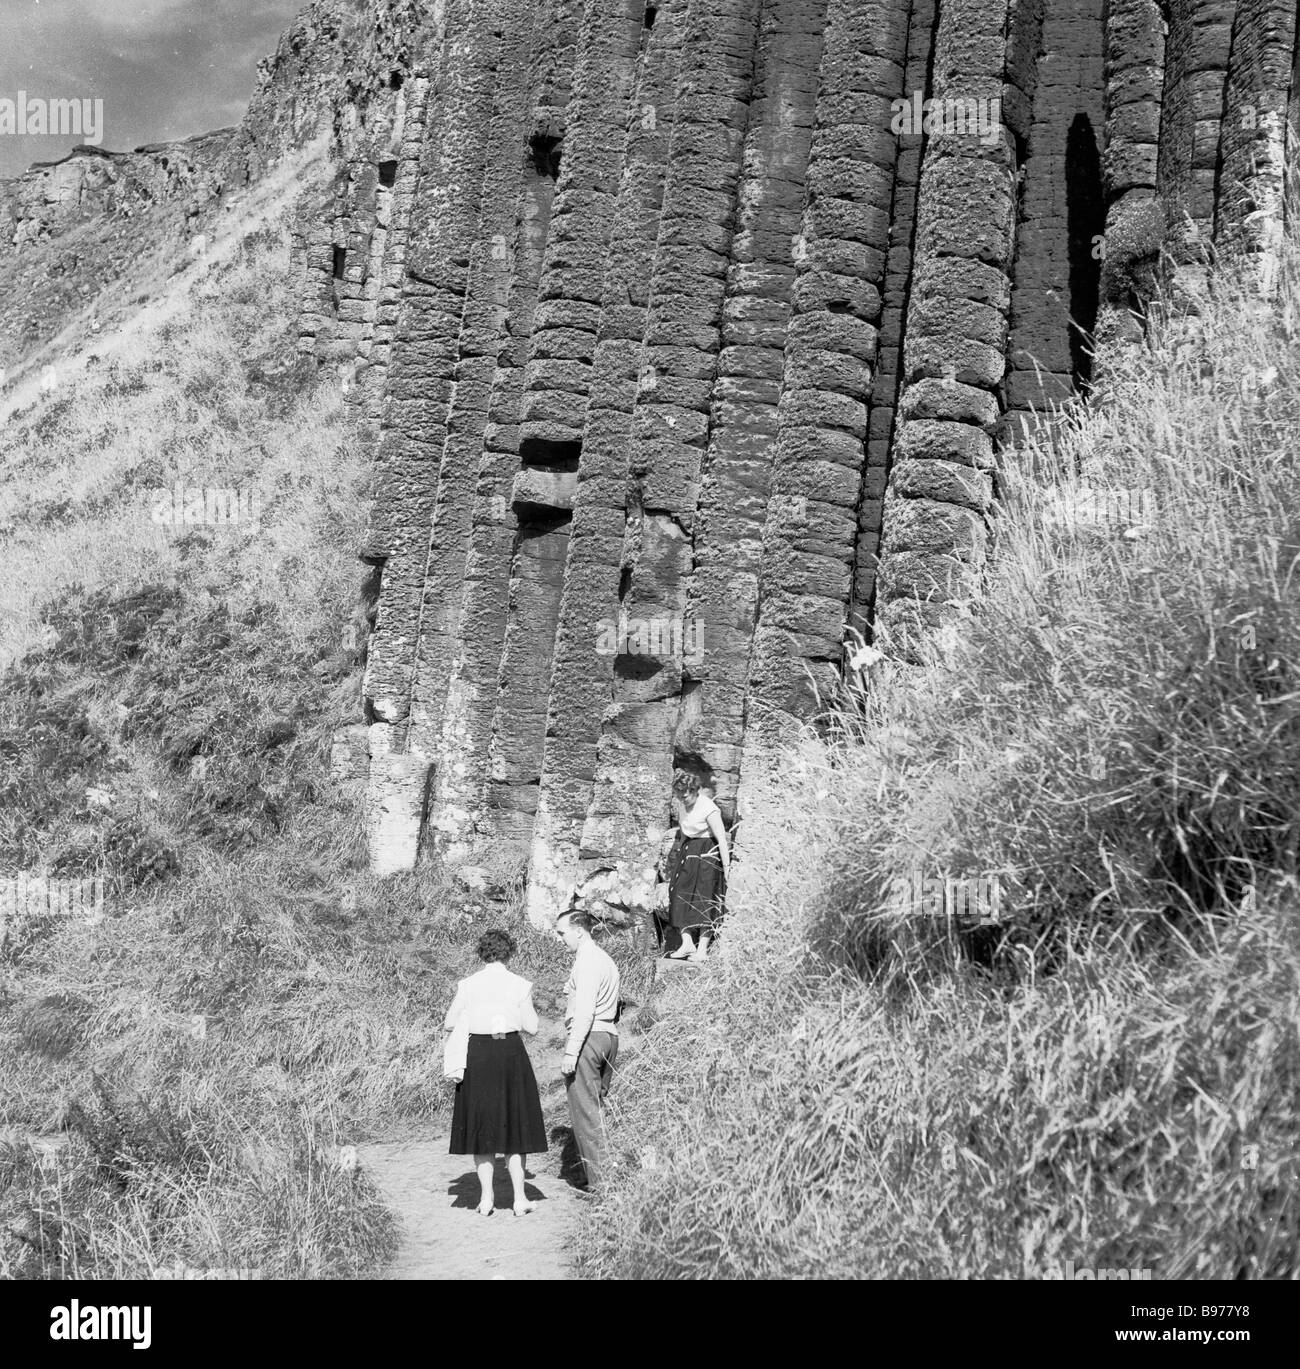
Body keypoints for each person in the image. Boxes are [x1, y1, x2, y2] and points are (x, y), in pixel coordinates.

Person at [444, 928, 547, 1217]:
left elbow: (450, 1022)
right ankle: (519, 1198)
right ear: (509, 952)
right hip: (509, 1053)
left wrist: (476, 1017)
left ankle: (486, 1198)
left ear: (482, 952)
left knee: (482, 1126)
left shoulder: (468, 984)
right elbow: (533, 1026)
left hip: (477, 1053)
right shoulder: (519, 984)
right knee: (514, 1124)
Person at [556, 908, 620, 1193]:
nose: (560, 939)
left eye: (562, 933)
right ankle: (606, 1172)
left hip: (590, 1038)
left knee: (586, 1110)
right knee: (597, 1108)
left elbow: (584, 1011)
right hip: (608, 1034)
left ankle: (602, 1183)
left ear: (579, 931)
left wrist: (572, 1051)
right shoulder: (602, 958)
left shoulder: (588, 962)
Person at [662, 769, 730, 961]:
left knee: (704, 899)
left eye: (685, 795)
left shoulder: (709, 808)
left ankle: (702, 950)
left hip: (707, 854)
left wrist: (726, 868)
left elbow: (722, 839)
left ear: (694, 790)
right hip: (688, 852)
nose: (682, 799)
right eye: (679, 795)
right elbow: (684, 831)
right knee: (678, 893)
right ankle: (687, 943)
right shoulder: (684, 805)